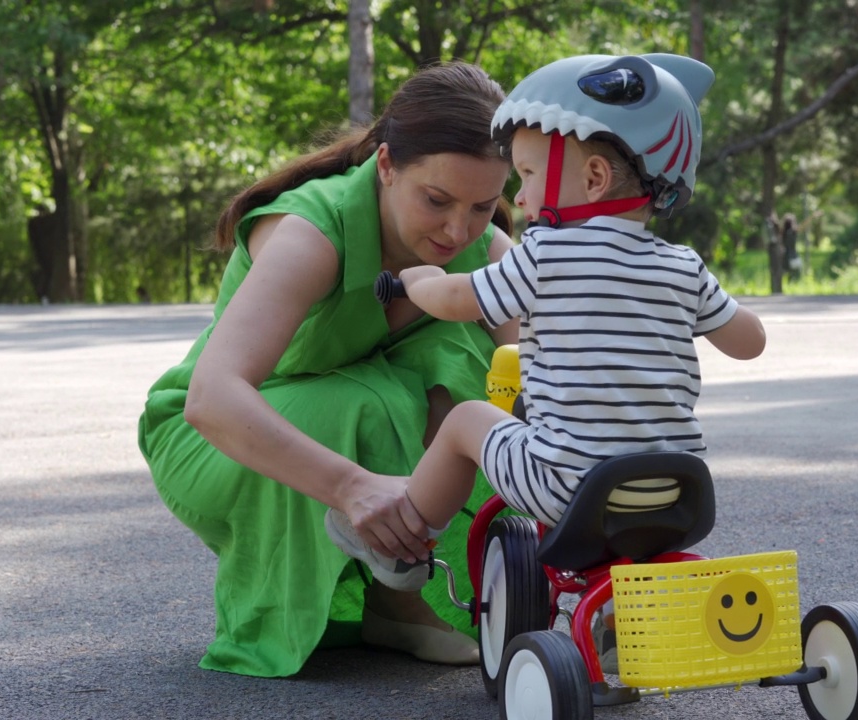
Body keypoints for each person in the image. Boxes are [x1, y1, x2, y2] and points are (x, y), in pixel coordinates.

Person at [323, 53, 767, 671]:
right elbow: (750, 341)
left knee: (466, 422)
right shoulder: (684, 266)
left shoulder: (547, 254)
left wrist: (420, 281)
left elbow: (459, 300)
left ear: (590, 179)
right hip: (676, 490)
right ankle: (622, 624)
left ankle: (408, 540)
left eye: (528, 174)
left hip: (569, 485)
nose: (521, 195)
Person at [136, 62, 520, 678]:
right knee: (370, 399)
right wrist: (351, 486)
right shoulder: (308, 232)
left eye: (482, 205)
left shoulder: (484, 248)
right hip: (211, 441)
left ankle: (398, 596)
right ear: (388, 165)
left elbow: (549, 379)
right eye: (436, 200)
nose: (459, 230)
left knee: (478, 365)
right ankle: (397, 593)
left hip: (331, 419)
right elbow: (211, 399)